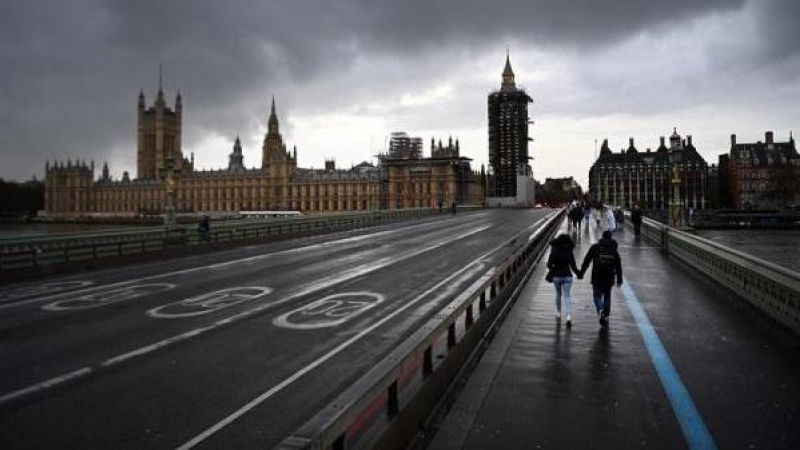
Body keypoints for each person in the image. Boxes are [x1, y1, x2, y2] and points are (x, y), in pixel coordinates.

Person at [579, 230, 623, 326]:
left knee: (597, 296)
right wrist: (619, 280)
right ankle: (606, 315)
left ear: (602, 237)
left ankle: (600, 310)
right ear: (611, 238)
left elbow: (587, 260)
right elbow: (618, 265)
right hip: (609, 277)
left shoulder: (595, 247)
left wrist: (581, 273)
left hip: (597, 276)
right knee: (607, 295)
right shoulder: (614, 250)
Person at [547, 234, 581, 327]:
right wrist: (579, 274)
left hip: (557, 277)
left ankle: (558, 313)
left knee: (558, 294)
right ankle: (568, 317)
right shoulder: (569, 250)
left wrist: (553, 269)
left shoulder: (554, 250)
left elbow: (549, 264)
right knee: (567, 296)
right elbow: (573, 266)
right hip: (567, 276)